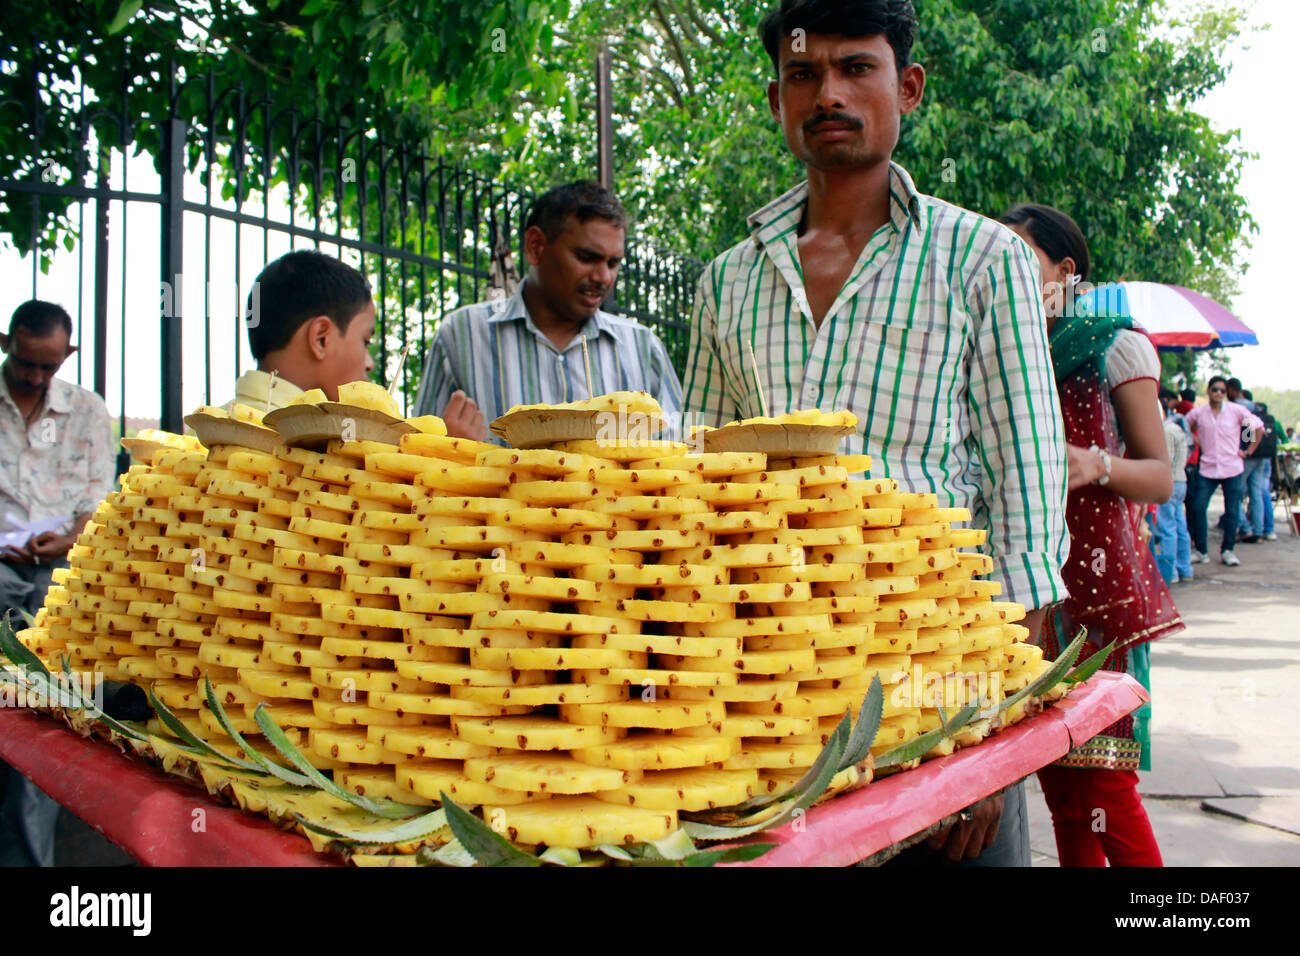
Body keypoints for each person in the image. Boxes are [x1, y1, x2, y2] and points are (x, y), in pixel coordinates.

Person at [684, 0, 1070, 867]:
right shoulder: (726, 282)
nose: (829, 93)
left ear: (910, 87)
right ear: (777, 99)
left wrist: (988, 744)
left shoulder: (982, 260)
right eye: (802, 73)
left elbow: (1029, 509)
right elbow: (699, 494)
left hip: (935, 680)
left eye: (857, 68)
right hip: (769, 695)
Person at [998, 203, 1181, 867]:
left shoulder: (1113, 345)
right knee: (1060, 788)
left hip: (1099, 603)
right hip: (1029, 600)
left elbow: (1159, 477)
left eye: (1023, 261)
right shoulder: (1009, 353)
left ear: (1066, 270)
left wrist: (1094, 465)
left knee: (1106, 782)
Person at [412, 181, 683, 442]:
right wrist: (454, 449)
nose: (603, 277)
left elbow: (682, 456)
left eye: (613, 263)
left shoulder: (643, 348)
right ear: (535, 246)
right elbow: (417, 454)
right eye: (587, 258)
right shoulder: (462, 336)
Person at [0, 300, 115, 867]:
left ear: (66, 356)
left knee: (42, 716)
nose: (34, 377)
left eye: (48, 367)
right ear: (8, 346)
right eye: (25, 363)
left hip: (57, 573)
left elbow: (98, 501)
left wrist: (69, 537)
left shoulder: (87, 411)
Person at [226, 249, 376, 410]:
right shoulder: (309, 434)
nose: (370, 364)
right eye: (365, 341)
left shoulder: (204, 426)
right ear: (321, 338)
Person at [1186, 376, 1262, 566]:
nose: (1218, 393)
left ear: (1226, 393)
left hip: (1232, 466)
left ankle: (1228, 549)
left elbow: (1256, 426)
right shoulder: (1200, 413)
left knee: (1232, 511)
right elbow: (1187, 426)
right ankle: (1201, 550)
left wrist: (1248, 449)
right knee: (1197, 507)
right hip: (1208, 466)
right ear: (1208, 391)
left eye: (1222, 390)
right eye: (1215, 390)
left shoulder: (1235, 411)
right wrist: (1197, 440)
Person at [1154, 399, 1193, 584]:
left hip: (1170, 481)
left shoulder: (1165, 431)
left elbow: (1165, 461)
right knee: (1179, 527)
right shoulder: (1176, 428)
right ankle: (1185, 568)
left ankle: (1172, 572)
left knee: (1168, 528)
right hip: (1180, 482)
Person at [1239, 401, 1279, 542]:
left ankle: (1246, 527)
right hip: (1263, 458)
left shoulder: (1249, 418)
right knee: (1258, 494)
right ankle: (1259, 530)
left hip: (1250, 458)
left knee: (1235, 493)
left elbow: (1248, 439)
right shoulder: (1266, 418)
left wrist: (1247, 451)